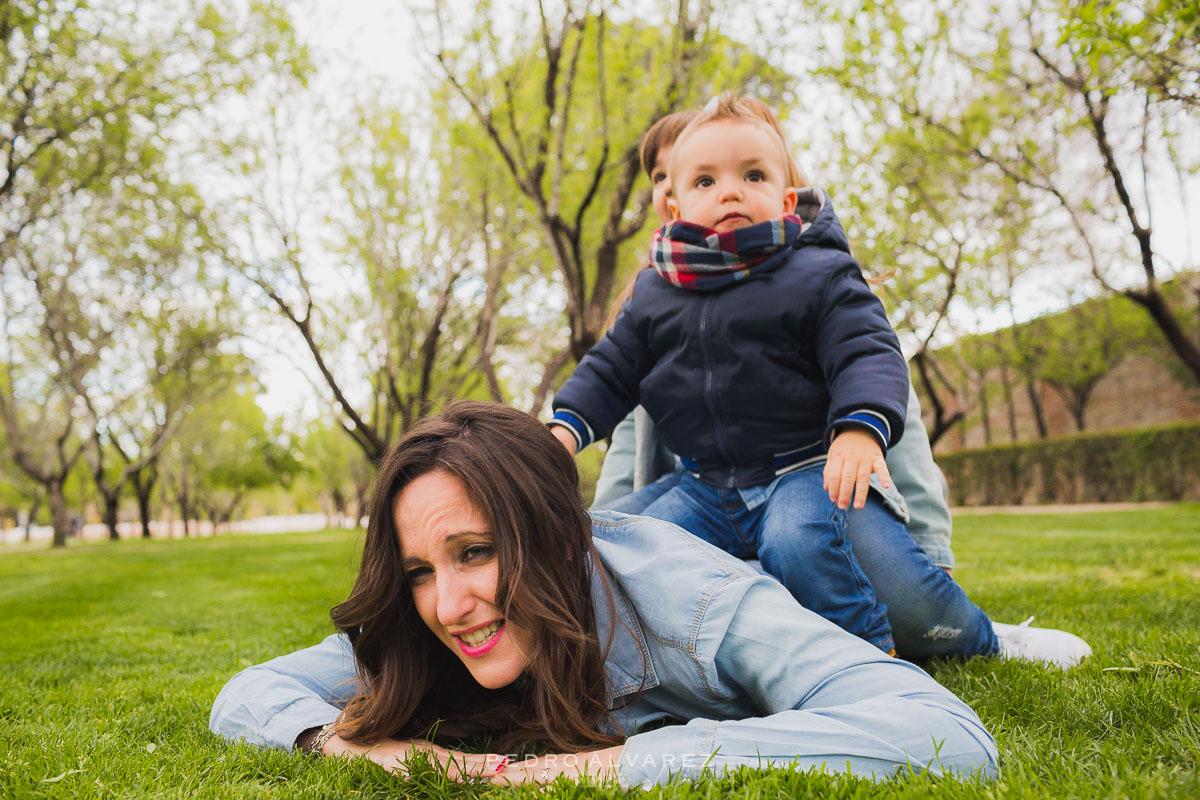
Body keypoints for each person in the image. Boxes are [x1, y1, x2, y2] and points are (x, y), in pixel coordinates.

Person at [554, 96, 1092, 667]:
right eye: (706, 180)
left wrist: (859, 428)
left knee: (800, 540)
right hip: (707, 486)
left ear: (788, 198)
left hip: (805, 468)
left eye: (752, 175)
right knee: (619, 542)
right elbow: (609, 371)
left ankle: (902, 654)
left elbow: (866, 351)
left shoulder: (818, 271)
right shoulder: (655, 295)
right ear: (673, 206)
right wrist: (563, 431)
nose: (730, 191)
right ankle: (617, 666)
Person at [210, 401, 999, 788]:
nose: (447, 606)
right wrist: (374, 749)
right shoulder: (421, 626)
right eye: (420, 569)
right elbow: (248, 697)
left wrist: (601, 767)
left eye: (475, 553)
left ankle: (996, 634)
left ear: (555, 538)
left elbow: (947, 737)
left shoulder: (697, 606)